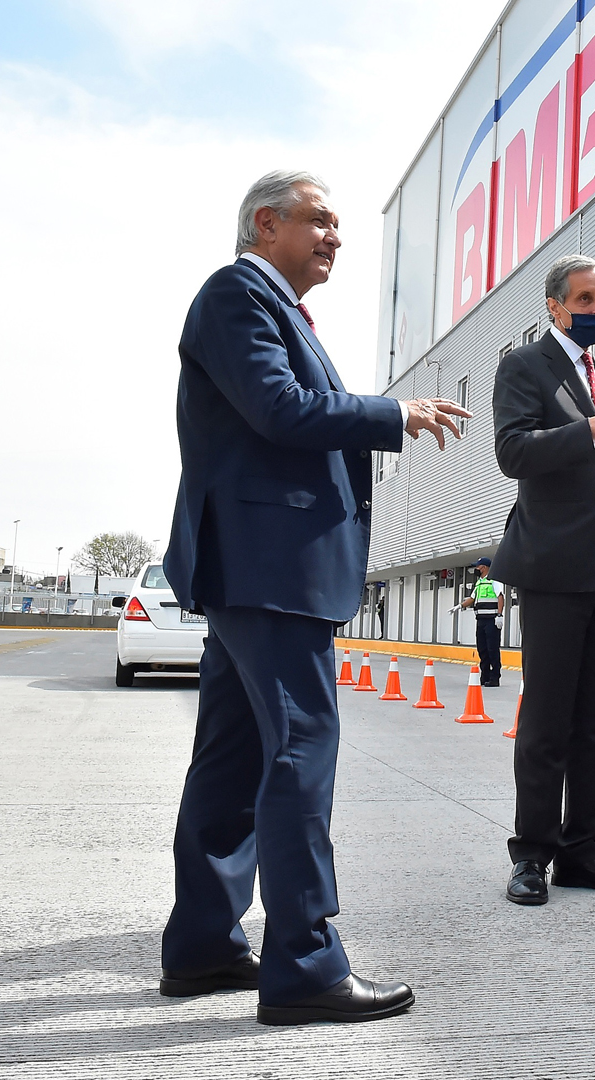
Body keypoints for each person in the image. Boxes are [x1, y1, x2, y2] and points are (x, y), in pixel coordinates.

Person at [159, 170, 469, 1026]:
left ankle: (203, 947)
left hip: (262, 569)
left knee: (232, 760)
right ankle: (303, 966)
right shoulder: (238, 292)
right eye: (319, 221)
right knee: (301, 749)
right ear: (265, 224)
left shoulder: (276, 305)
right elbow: (283, 410)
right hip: (271, 568)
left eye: (338, 225)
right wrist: (390, 413)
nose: (335, 237)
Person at [492, 254, 595, 907]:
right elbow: (514, 451)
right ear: (555, 307)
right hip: (554, 564)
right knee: (548, 716)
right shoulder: (523, 366)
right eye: (587, 300)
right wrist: (593, 424)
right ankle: (532, 855)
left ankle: (582, 848)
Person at [460, 557, 504, 685]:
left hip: (492, 620)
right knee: (482, 649)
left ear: (483, 567)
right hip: (481, 621)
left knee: (492, 649)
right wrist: (460, 606)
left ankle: (494, 677)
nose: (476, 569)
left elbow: (500, 597)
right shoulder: (479, 583)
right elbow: (472, 598)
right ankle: (484, 676)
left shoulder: (494, 580)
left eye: (477, 567)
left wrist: (499, 615)